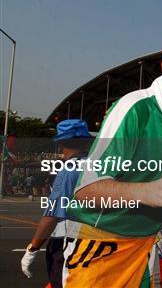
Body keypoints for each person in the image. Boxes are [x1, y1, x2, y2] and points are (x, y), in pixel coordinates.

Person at [64, 34, 162, 288]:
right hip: (100, 244)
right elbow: (85, 190)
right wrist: (148, 192)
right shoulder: (134, 108)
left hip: (147, 246)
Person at [20, 119, 92, 288]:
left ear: (61, 142)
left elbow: (51, 217)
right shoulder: (100, 166)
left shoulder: (68, 171)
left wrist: (32, 249)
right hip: (94, 242)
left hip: (67, 245)